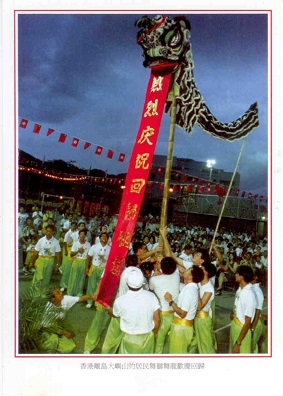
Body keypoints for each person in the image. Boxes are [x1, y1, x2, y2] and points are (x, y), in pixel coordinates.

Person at [105, 267, 160, 354]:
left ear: (127, 283)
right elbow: (157, 320)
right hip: (148, 337)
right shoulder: (152, 297)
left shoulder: (120, 300)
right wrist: (154, 333)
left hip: (129, 338)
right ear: (142, 282)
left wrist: (108, 309)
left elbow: (115, 315)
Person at [40, 287, 96, 353]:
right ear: (53, 299)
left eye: (60, 291)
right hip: (48, 329)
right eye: (58, 293)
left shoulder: (65, 299)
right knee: (52, 341)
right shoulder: (49, 309)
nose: (61, 293)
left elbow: (80, 299)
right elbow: (48, 326)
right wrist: (64, 332)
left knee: (70, 346)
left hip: (58, 326)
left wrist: (92, 296)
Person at [164, 265, 204, 354]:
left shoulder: (189, 290)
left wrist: (170, 301)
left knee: (177, 354)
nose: (186, 270)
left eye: (189, 269)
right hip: (183, 327)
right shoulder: (191, 288)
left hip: (181, 328)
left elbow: (182, 313)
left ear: (190, 276)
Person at [149, 256, 180, 354]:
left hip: (163, 314)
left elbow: (151, 288)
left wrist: (155, 274)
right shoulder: (176, 274)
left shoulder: (154, 280)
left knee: (159, 340)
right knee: (171, 340)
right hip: (175, 313)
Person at [229, 265, 256, 354]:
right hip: (235, 325)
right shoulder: (240, 289)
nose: (235, 275)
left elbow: (248, 321)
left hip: (241, 330)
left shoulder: (249, 294)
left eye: (237, 273)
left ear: (242, 276)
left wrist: (238, 342)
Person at [29, 224, 61, 295]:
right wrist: (31, 262)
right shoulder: (41, 240)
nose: (48, 233)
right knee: (38, 277)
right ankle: (35, 293)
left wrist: (57, 264)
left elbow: (58, 254)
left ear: (53, 232)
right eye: (47, 231)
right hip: (41, 260)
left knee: (47, 278)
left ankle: (43, 293)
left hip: (50, 261)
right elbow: (36, 252)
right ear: (45, 231)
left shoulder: (56, 242)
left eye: (50, 231)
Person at [194, 262, 217, 353]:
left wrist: (196, 289)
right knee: (196, 343)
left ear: (206, 273)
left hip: (203, 319)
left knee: (206, 346)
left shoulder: (209, 288)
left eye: (202, 269)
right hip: (196, 318)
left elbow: (200, 306)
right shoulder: (200, 284)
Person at [85, 232, 110, 308]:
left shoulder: (110, 249)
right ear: (99, 238)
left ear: (108, 239)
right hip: (94, 267)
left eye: (105, 237)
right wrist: (87, 268)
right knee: (91, 285)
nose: (104, 238)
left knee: (101, 286)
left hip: (104, 269)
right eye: (102, 236)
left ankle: (98, 302)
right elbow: (88, 257)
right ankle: (89, 301)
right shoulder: (94, 247)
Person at [67, 229, 91, 296]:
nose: (82, 236)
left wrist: (88, 265)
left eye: (84, 234)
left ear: (85, 236)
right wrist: (78, 251)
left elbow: (89, 256)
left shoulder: (88, 244)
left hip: (84, 262)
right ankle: (70, 292)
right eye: (81, 234)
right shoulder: (75, 243)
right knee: (73, 277)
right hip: (76, 261)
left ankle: (78, 293)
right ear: (79, 235)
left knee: (81, 278)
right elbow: (71, 254)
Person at [251, 269, 265, 353]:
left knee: (251, 347)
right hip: (251, 320)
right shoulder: (251, 288)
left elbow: (258, 311)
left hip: (255, 322)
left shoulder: (257, 292)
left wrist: (253, 328)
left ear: (256, 277)